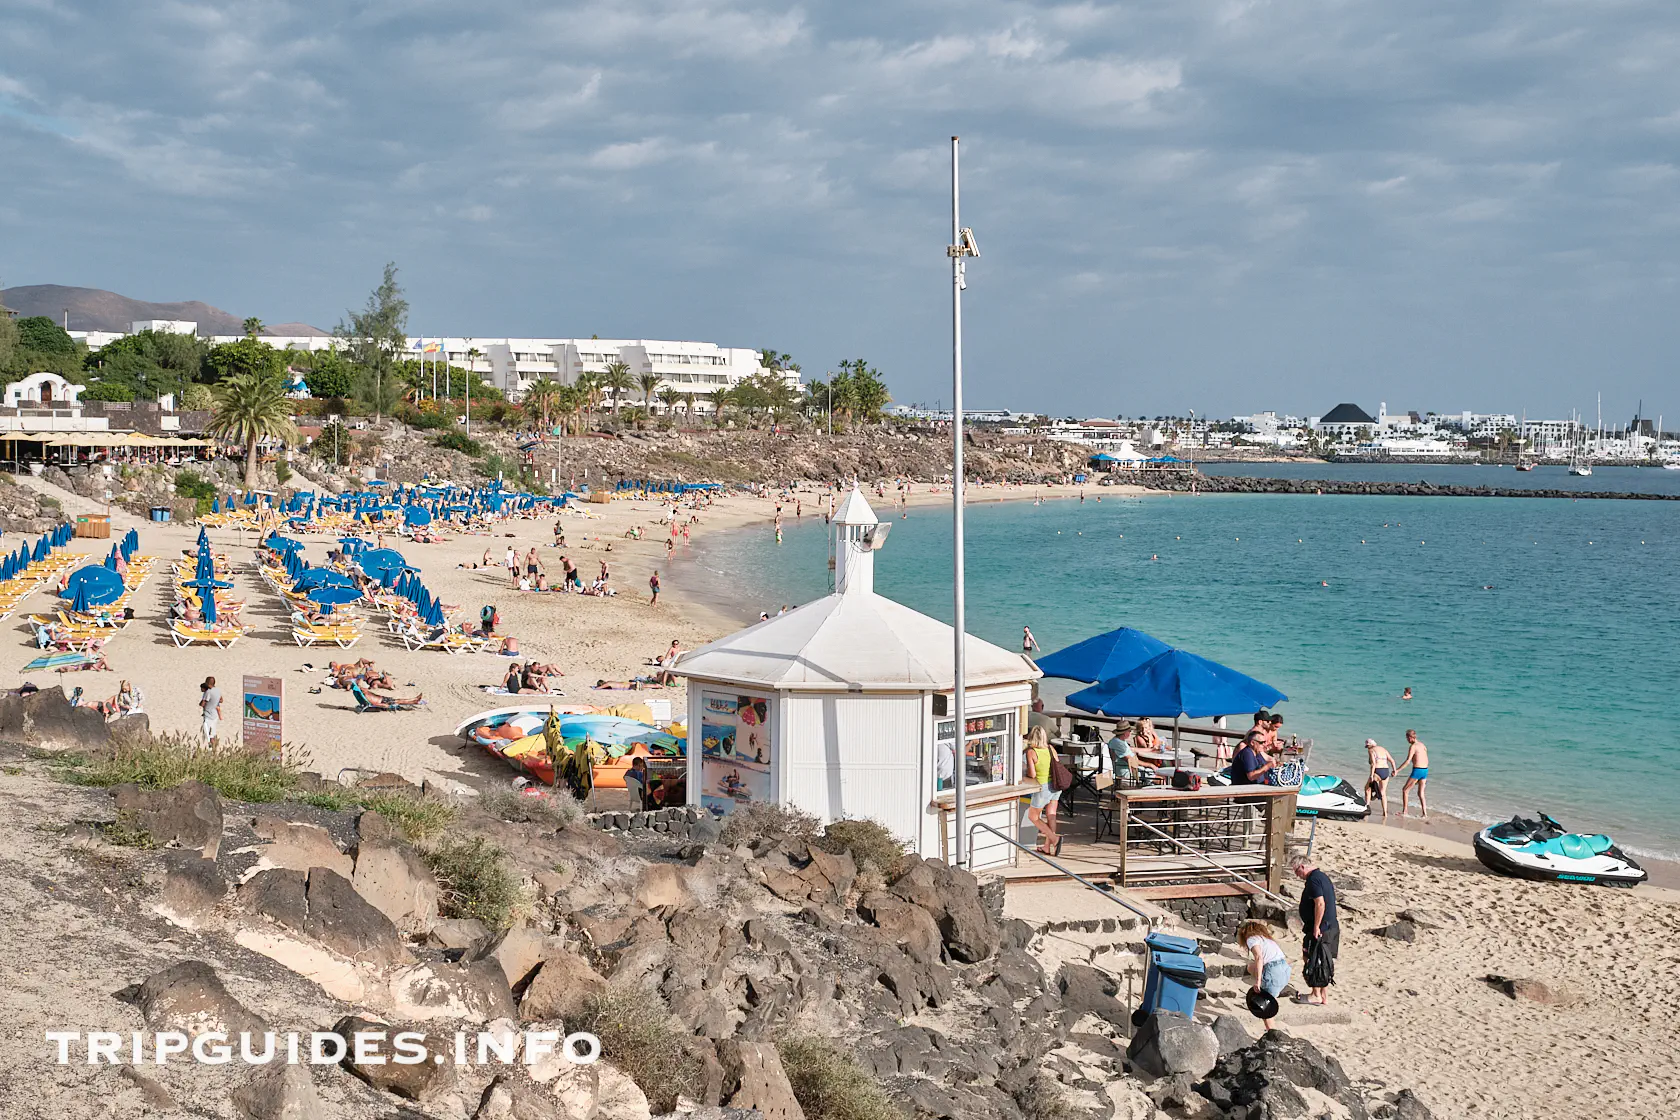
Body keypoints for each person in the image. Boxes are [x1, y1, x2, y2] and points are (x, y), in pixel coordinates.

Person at [1294, 860, 1339, 1005]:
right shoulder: (1322, 876)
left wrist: (1316, 926)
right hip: (1331, 926)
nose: (1297, 876)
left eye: (1297, 872)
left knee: (1312, 959)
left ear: (1302, 866)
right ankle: (1323, 995)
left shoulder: (1313, 879)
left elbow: (1320, 903)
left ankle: (1316, 995)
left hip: (1322, 928)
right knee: (1323, 960)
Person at [1236, 919, 1290, 1031]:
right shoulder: (1267, 939)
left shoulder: (1251, 939)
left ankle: (1272, 1034)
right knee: (1250, 967)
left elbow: (1259, 958)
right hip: (1285, 970)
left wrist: (1258, 981)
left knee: (1265, 1009)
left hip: (1273, 972)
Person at [1023, 725, 1060, 855]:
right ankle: (1047, 847)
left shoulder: (1031, 752)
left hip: (1043, 787)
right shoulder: (1051, 749)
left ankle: (1055, 839)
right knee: (1051, 815)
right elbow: (1057, 765)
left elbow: (1032, 774)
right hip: (1055, 785)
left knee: (1033, 816)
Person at [1399, 729, 1429, 818]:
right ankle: (1424, 813)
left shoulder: (1413, 746)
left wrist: (1397, 770)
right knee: (1421, 793)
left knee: (1405, 790)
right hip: (1425, 770)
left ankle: (1405, 811)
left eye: (1407, 738)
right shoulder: (1423, 745)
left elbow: (1408, 761)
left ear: (1410, 737)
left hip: (1418, 770)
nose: (1407, 740)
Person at [1365, 738, 1396, 820]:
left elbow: (1373, 764)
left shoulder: (1371, 750)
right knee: (1383, 792)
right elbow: (1392, 760)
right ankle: (1385, 813)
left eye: (1367, 746)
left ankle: (1366, 808)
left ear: (1370, 745)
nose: (1367, 748)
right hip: (1386, 771)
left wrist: (1371, 775)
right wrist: (1394, 771)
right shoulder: (1383, 749)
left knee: (1367, 789)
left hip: (1377, 771)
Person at [199, 677, 222, 748]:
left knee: (208, 733)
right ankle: (214, 748)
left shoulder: (208, 692)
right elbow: (221, 700)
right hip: (215, 714)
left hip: (208, 714)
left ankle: (211, 748)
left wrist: (201, 703)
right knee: (212, 733)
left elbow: (203, 703)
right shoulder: (217, 690)